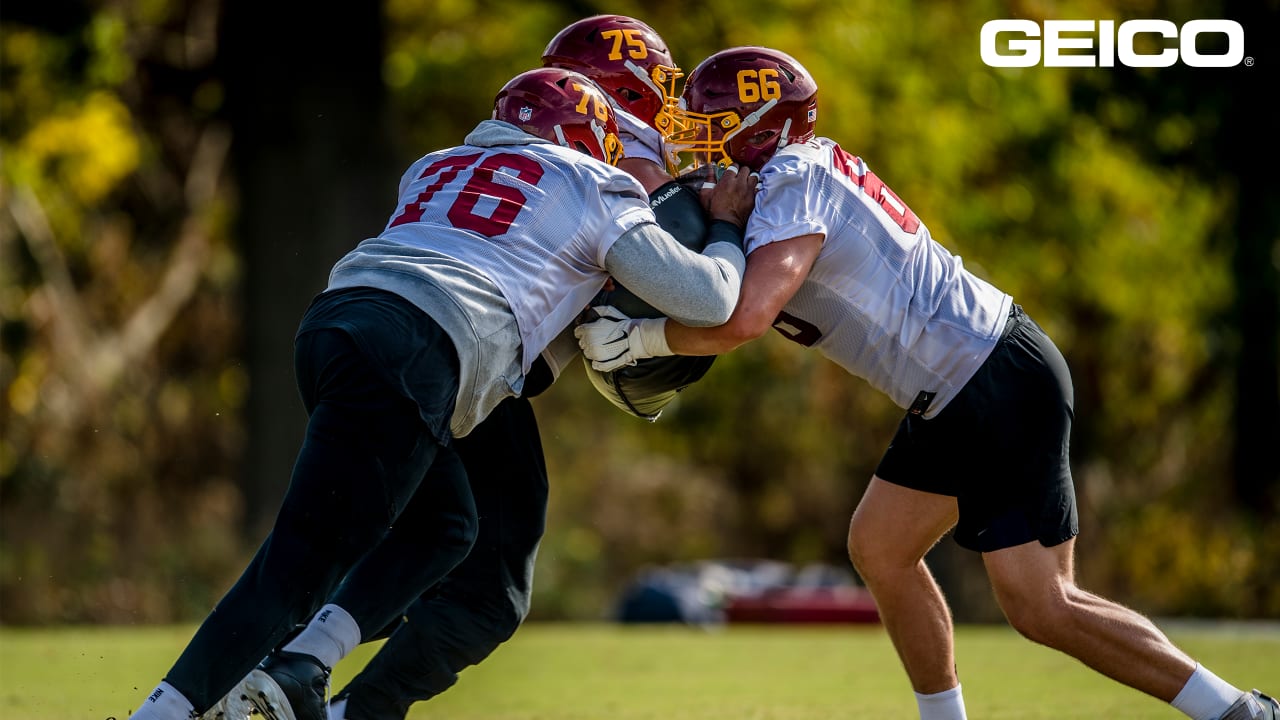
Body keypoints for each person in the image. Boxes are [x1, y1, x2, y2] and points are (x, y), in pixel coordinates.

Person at [576, 45, 1280, 720]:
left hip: (993, 376)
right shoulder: (794, 174)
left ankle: (1235, 711)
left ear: (763, 128)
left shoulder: (795, 176)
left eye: (715, 129)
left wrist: (642, 337)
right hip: (955, 384)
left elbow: (748, 315)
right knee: (881, 547)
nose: (704, 148)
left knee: (1042, 605)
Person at [124, 65, 758, 720]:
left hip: (334, 323)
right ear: (582, 138)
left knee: (446, 525)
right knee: (301, 559)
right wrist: (727, 225)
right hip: (421, 344)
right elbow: (708, 298)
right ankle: (164, 713)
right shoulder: (596, 181)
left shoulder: (433, 167)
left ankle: (303, 666)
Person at [321, 15, 720, 720]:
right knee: (486, 588)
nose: (670, 102)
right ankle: (344, 703)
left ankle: (275, 659)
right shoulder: (618, 163)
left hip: (385, 327)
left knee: (412, 550)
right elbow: (702, 296)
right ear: (624, 87)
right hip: (476, 364)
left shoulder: (500, 145)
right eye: (657, 86)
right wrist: (720, 230)